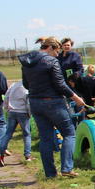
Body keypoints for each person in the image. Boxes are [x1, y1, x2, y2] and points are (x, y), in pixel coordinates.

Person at [19, 37, 87, 178]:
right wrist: (76, 98)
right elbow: (60, 85)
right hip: (53, 102)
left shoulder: (26, 62)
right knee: (69, 133)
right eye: (57, 51)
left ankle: (50, 173)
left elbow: (26, 85)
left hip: (35, 103)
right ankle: (67, 168)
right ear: (50, 47)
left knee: (46, 139)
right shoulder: (51, 61)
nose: (58, 55)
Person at [0, 81, 33, 164]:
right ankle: (27, 155)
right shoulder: (27, 87)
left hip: (12, 111)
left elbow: (6, 97)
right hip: (23, 112)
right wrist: (29, 113)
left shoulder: (13, 85)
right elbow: (28, 103)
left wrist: (6, 107)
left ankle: (0, 152)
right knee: (26, 134)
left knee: (8, 133)